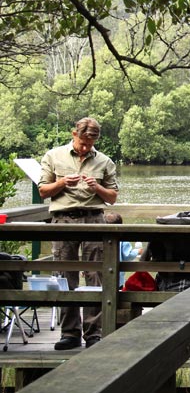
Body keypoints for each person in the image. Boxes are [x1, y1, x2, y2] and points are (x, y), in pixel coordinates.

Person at [38, 117, 119, 350]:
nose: (85, 147)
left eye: (90, 143)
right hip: (63, 220)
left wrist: (98, 188)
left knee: (96, 276)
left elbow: (112, 197)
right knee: (65, 277)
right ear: (74, 134)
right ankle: (69, 333)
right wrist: (62, 182)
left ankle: (94, 333)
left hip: (94, 220)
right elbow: (43, 190)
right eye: (82, 142)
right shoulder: (54, 156)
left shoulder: (104, 161)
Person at [104, 212, 143, 289]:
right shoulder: (123, 239)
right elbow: (128, 256)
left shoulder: (101, 239)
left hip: (102, 276)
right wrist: (137, 251)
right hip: (117, 278)